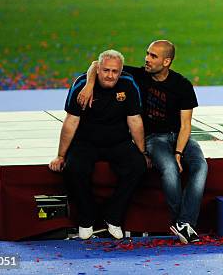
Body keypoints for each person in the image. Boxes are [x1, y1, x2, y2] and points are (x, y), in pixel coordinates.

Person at [78, 40, 207, 244]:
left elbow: (185, 126)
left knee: (200, 166)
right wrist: (89, 84)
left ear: (167, 61)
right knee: (169, 168)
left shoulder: (182, 85)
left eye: (153, 56)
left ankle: (184, 222)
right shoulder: (137, 76)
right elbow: (96, 64)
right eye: (147, 53)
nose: (147, 59)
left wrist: (179, 152)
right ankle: (180, 223)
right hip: (153, 138)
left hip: (180, 137)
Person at [49, 49, 149, 240]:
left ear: (120, 72)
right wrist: (61, 155)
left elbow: (135, 120)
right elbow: (71, 121)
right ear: (98, 69)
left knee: (138, 165)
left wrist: (142, 152)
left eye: (115, 71)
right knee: (73, 169)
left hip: (118, 142)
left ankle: (113, 217)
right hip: (85, 142)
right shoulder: (81, 85)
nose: (110, 75)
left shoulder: (128, 84)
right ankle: (87, 218)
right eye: (106, 70)